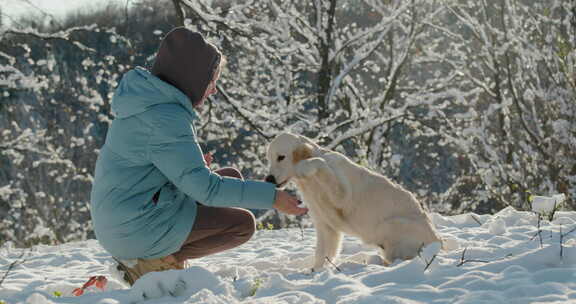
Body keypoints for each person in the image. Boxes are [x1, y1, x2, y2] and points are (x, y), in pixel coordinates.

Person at [89, 27, 308, 286]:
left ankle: (151, 254)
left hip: (125, 216)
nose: (214, 89)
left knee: (231, 177)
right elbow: (208, 190)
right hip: (134, 229)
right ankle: (150, 264)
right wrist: (273, 197)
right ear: (192, 78)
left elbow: (146, 166)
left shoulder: (149, 102)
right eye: (212, 80)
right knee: (242, 224)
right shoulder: (164, 119)